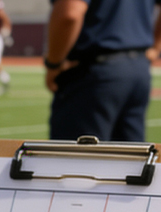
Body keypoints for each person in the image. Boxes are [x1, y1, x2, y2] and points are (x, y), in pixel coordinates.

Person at [45, 0, 161, 142]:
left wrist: (53, 64)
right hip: (138, 68)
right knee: (130, 159)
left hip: (93, 73)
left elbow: (70, 13)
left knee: (79, 160)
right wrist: (155, 47)